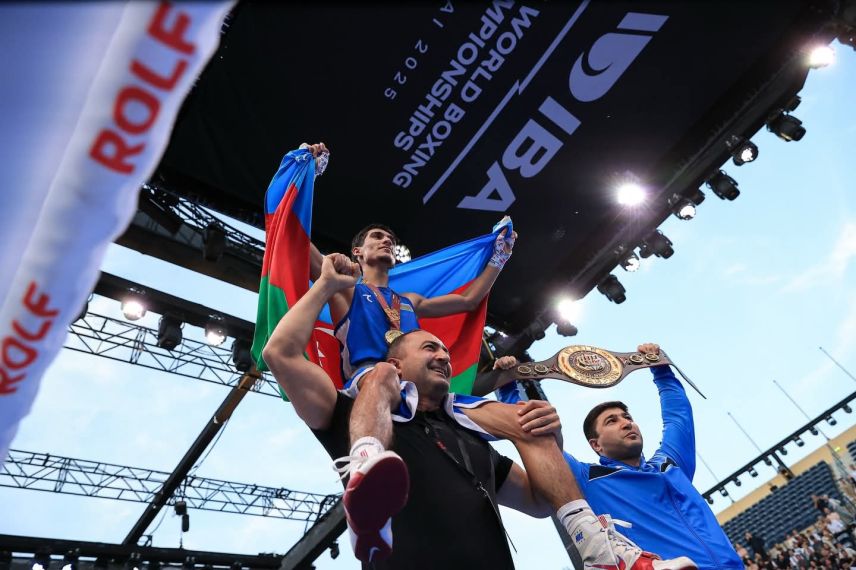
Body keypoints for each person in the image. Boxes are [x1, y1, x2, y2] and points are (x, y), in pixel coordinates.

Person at [262, 254, 697, 568]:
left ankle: (602, 552)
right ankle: (366, 471)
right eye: (429, 347)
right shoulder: (346, 411)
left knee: (530, 420)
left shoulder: (467, 438)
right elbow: (279, 353)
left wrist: (552, 437)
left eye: (445, 351)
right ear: (399, 361)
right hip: (375, 425)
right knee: (376, 377)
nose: (443, 356)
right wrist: (325, 285)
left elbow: (539, 502)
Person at [559, 344, 743, 569]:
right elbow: (542, 444)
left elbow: (678, 417)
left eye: (627, 417)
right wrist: (516, 386)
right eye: (612, 421)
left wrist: (661, 369)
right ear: (596, 445)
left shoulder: (669, 463)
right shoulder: (587, 479)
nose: (626, 423)